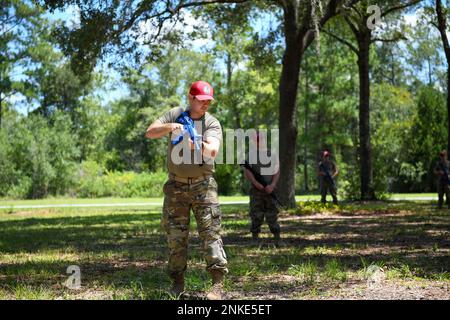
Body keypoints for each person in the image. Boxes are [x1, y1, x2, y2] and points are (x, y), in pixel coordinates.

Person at [145, 81, 227, 300]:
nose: (206, 105)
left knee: (211, 234)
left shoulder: (211, 123)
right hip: (176, 186)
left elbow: (212, 151)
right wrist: (171, 127)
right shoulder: (176, 114)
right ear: (191, 98)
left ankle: (217, 285)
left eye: (209, 101)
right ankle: (177, 284)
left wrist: (193, 142)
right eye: (202, 101)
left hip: (204, 185)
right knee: (176, 237)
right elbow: (150, 132)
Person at [242, 132, 281, 246]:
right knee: (256, 215)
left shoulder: (272, 154)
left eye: (260, 140)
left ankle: (277, 239)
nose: (258, 142)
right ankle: (255, 239)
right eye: (256, 140)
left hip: (270, 190)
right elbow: (247, 171)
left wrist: (272, 185)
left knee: (272, 215)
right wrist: (255, 183)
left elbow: (277, 170)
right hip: (256, 191)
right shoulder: (251, 155)